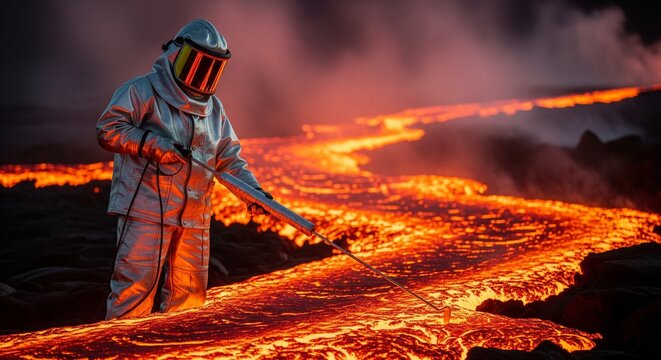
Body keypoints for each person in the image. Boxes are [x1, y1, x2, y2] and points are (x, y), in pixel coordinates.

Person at [97, 19, 271, 319]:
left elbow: (228, 158)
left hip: (195, 217)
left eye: (210, 66)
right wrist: (152, 143)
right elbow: (108, 129)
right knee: (134, 294)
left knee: (189, 300)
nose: (201, 74)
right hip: (147, 211)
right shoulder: (141, 92)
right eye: (196, 62)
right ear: (175, 55)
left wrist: (252, 193)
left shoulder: (214, 110)